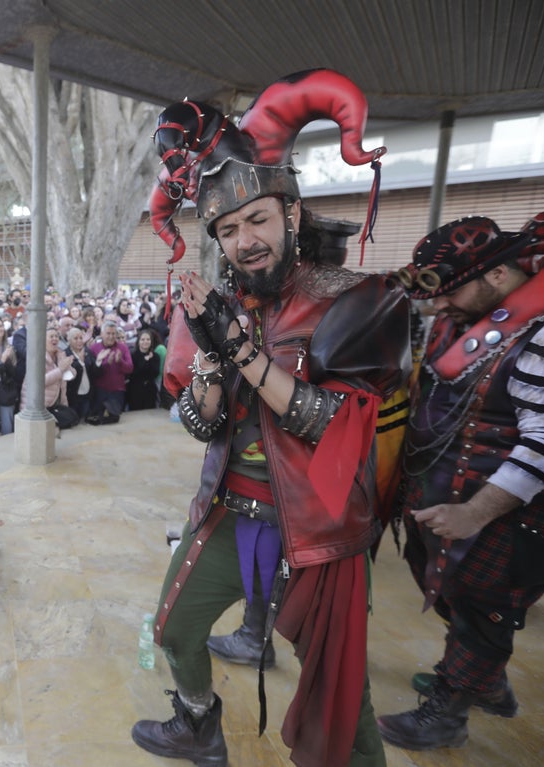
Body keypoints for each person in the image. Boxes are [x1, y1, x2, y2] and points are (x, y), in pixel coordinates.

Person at [132, 70, 408, 767]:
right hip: (229, 510)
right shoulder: (215, 302)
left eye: (256, 219)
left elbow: (339, 424)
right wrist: (210, 370)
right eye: (227, 229)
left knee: (341, 699)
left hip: (315, 528)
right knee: (173, 629)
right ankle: (199, 723)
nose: (243, 240)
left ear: (291, 214)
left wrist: (244, 355)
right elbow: (199, 425)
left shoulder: (351, 296)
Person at [376, 214, 544, 750]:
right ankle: (486, 682)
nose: (438, 305)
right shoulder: (468, 318)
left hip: (512, 513)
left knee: (486, 604)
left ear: (498, 275)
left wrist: (474, 513)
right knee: (459, 601)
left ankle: (450, 712)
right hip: (448, 496)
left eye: (449, 291)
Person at [85, 320, 133, 425]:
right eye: (108, 333)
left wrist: (119, 361)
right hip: (99, 391)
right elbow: (92, 372)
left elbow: (129, 368)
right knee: (99, 421)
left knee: (115, 421)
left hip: (117, 391)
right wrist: (105, 362)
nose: (111, 336)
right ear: (102, 334)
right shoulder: (94, 348)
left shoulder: (123, 347)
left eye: (113, 334)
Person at [125, 327, 163, 411]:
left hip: (150, 390)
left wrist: (150, 361)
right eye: (142, 339)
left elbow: (155, 373)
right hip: (135, 390)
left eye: (148, 339)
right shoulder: (133, 355)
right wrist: (144, 361)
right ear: (138, 341)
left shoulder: (155, 356)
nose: (145, 342)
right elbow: (133, 373)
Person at [64, 327, 95, 420]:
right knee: (75, 420)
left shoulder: (87, 351)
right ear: (69, 340)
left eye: (81, 338)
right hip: (73, 395)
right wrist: (80, 362)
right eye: (75, 338)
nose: (79, 341)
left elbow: (94, 371)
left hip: (87, 393)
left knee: (85, 420)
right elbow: (68, 375)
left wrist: (99, 363)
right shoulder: (65, 354)